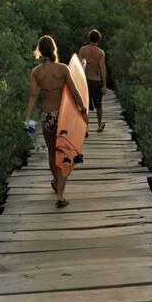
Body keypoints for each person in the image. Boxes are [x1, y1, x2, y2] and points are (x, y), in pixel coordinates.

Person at [25, 35, 87, 208]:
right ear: (53, 49)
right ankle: (60, 195)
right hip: (63, 116)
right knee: (65, 154)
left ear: (39, 50)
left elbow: (32, 96)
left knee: (53, 154)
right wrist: (83, 110)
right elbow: (75, 91)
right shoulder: (62, 69)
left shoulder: (36, 72)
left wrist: (27, 118)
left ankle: (55, 180)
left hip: (47, 117)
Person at [78, 29, 107, 132]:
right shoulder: (101, 53)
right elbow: (102, 69)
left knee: (85, 105)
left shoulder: (82, 50)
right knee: (98, 105)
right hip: (96, 81)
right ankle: (99, 125)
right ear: (98, 40)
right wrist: (104, 85)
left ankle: (85, 128)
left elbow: (79, 66)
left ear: (89, 38)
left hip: (85, 81)